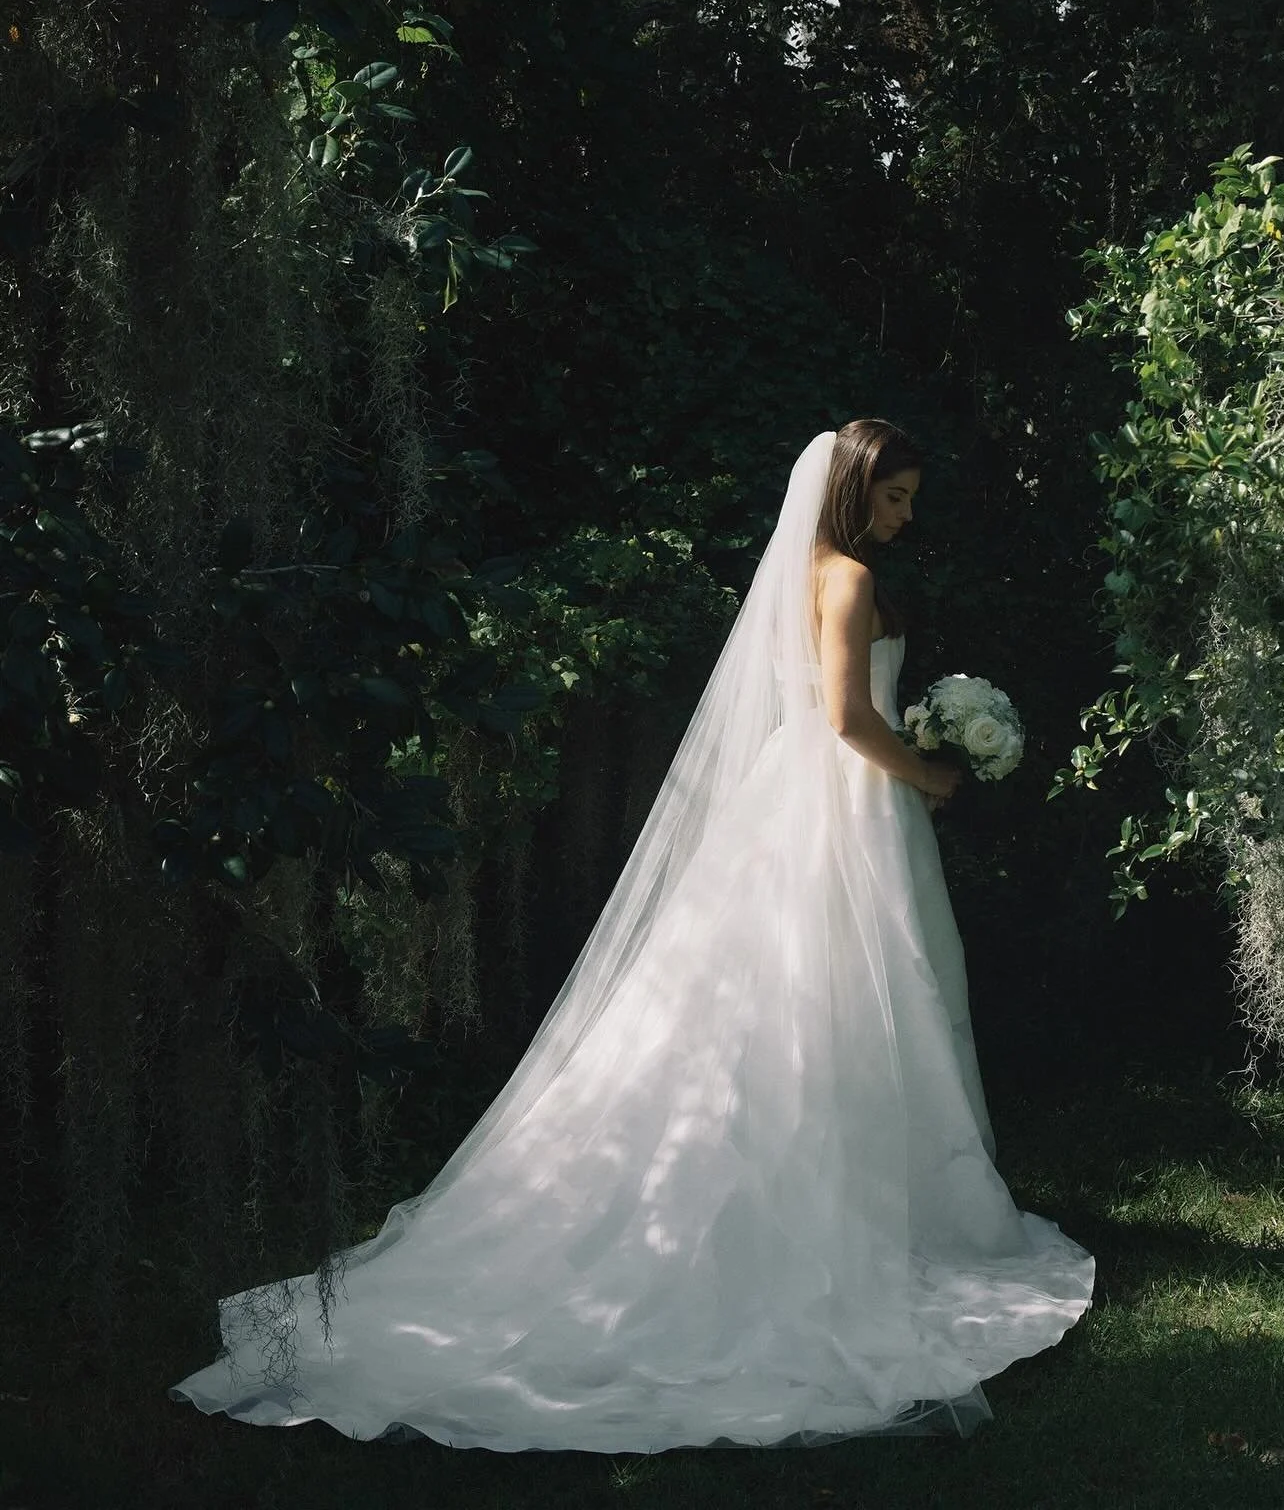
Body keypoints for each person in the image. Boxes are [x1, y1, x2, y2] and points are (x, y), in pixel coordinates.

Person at [170, 422, 1094, 1452]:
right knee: (852, 985)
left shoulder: (805, 572)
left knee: (814, 993)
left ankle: (846, 1193)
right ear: (848, 494)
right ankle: (841, 1215)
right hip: (844, 802)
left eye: (910, 499)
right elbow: (844, 717)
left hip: (795, 800)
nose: (905, 516)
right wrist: (926, 768)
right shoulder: (848, 580)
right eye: (894, 498)